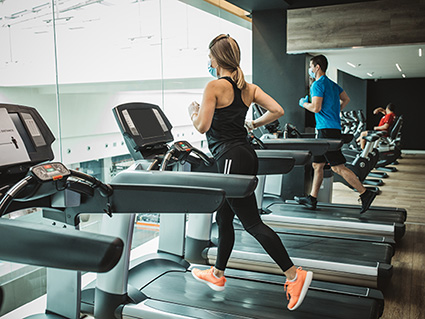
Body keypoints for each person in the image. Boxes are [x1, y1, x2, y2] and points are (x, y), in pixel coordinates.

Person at [188, 34, 313, 311]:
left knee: (252, 223)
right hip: (246, 154)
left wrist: (192, 111)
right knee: (224, 215)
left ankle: (294, 274)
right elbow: (277, 110)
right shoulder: (249, 88)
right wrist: (252, 124)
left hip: (230, 157)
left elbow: (202, 127)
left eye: (210, 57)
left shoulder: (213, 87)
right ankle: (218, 274)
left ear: (218, 59)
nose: (208, 62)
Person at [295, 54, 376, 214]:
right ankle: (312, 198)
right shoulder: (332, 84)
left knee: (338, 167)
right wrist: (334, 111)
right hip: (330, 128)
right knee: (317, 165)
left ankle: (365, 193)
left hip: (326, 131)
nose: (310, 70)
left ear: (317, 67)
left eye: (311, 67)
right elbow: (346, 99)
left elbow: (316, 108)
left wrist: (304, 103)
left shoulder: (317, 85)